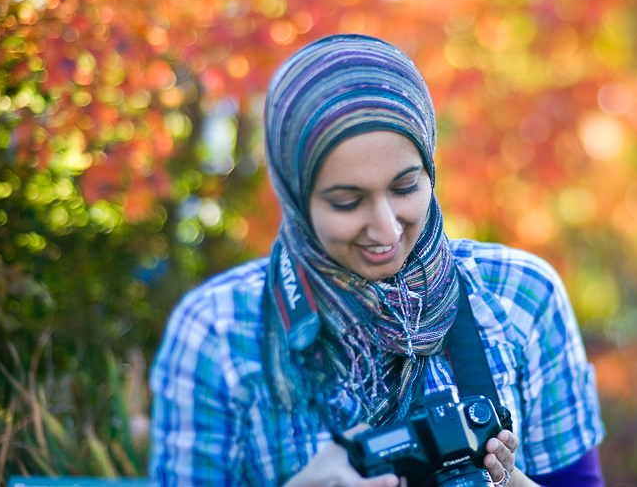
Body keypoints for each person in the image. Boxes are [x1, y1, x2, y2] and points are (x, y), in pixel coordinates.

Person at [149, 34, 605, 487]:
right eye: (347, 202)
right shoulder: (218, 332)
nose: (386, 230)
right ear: (294, 195)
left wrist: (506, 482)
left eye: (405, 187)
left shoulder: (520, 294)